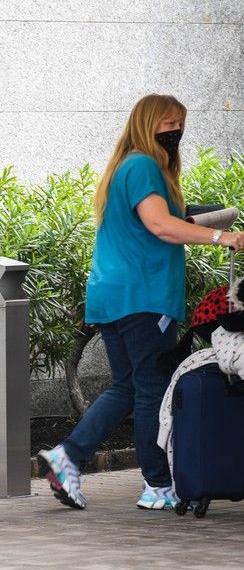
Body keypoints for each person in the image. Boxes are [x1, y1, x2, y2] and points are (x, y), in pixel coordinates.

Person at [38, 94, 244, 510]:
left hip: (114, 296)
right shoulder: (144, 166)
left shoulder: (126, 167)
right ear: (146, 124)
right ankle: (158, 485)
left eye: (179, 124)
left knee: (129, 386)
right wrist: (225, 236)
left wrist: (200, 220)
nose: (174, 132)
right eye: (166, 124)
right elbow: (158, 225)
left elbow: (158, 222)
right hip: (144, 296)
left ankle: (68, 457)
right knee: (151, 388)